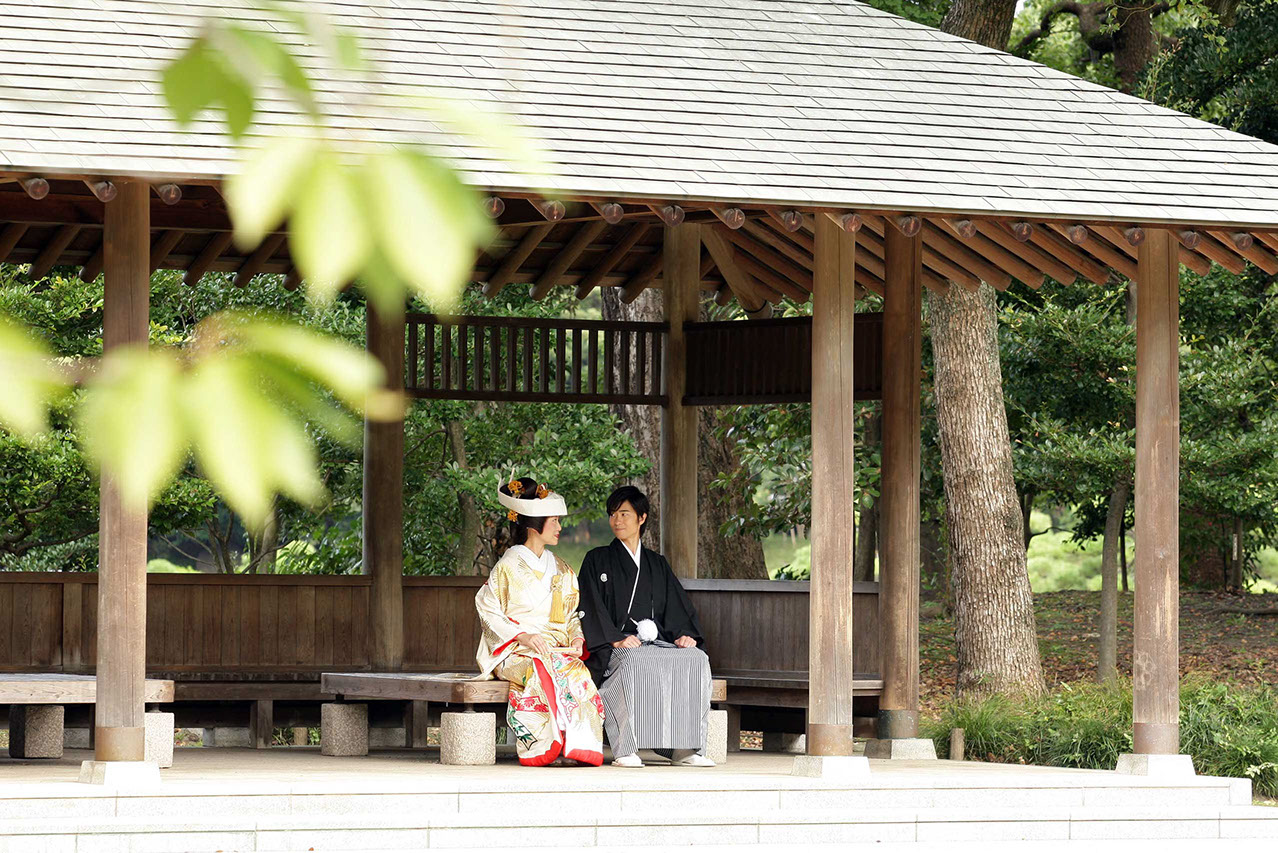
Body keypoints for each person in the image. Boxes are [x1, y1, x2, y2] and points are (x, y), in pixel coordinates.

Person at [577, 485, 715, 768]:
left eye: (625, 514)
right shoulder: (596, 559)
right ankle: (625, 748)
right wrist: (614, 638)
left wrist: (683, 635)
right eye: (613, 514)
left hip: (654, 642)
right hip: (617, 646)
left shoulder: (656, 564)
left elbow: (675, 607)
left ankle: (685, 749)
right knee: (631, 663)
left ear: (641, 518)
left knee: (697, 659)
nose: (617, 520)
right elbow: (589, 605)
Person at [474, 477, 605, 767]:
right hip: (517, 653)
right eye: (554, 520)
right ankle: (546, 747)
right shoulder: (507, 566)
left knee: (578, 675)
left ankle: (576, 748)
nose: (560, 527)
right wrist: (522, 636)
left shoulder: (561, 568)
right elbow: (487, 608)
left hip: (554, 651)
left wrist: (576, 638)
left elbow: (571, 614)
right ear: (534, 525)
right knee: (540, 671)